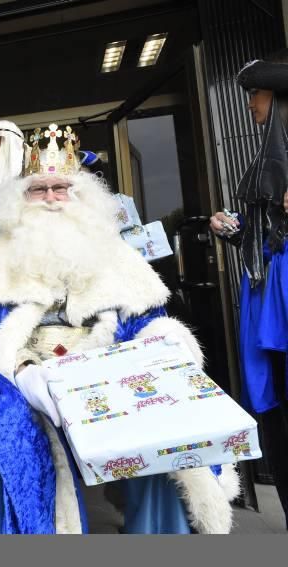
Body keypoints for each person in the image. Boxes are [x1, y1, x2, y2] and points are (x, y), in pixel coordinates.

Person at [0, 123, 240, 534]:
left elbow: (144, 318)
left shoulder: (115, 253)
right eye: (40, 190)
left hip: (105, 369)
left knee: (163, 419)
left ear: (83, 197)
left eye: (63, 189)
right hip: (32, 375)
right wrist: (23, 369)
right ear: (21, 200)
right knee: (3, 422)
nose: (52, 199)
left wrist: (160, 339)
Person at [209, 51, 288, 530]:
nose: (250, 105)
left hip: (281, 294)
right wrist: (237, 231)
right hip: (267, 293)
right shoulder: (268, 154)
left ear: (277, 98)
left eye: (255, 95)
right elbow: (269, 233)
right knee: (276, 405)